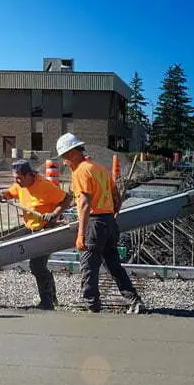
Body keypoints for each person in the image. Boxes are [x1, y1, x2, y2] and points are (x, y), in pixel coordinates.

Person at [55, 132, 145, 314]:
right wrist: (113, 211)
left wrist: (81, 234)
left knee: (89, 266)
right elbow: (117, 197)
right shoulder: (100, 168)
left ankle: (92, 307)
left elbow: (85, 203)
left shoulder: (81, 171)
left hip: (95, 224)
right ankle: (134, 300)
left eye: (65, 158)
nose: (65, 162)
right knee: (114, 265)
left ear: (73, 153)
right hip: (109, 223)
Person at [0, 159, 70, 309]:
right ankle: (51, 297)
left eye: (19, 178)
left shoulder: (45, 186)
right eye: (15, 178)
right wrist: (1, 194)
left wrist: (54, 213)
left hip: (46, 229)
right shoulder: (21, 185)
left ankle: (47, 302)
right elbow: (11, 192)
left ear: (29, 175)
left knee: (36, 266)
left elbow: (67, 198)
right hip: (31, 229)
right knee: (39, 266)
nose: (17, 181)